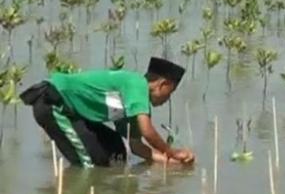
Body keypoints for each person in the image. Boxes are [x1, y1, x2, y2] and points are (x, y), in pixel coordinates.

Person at [20, 57, 195, 167]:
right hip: (53, 103)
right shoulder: (136, 84)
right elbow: (148, 132)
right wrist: (172, 152)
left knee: (115, 149)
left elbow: (136, 146)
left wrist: (171, 163)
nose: (167, 100)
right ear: (162, 84)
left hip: (71, 112)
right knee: (89, 163)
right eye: (169, 93)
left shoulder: (132, 102)